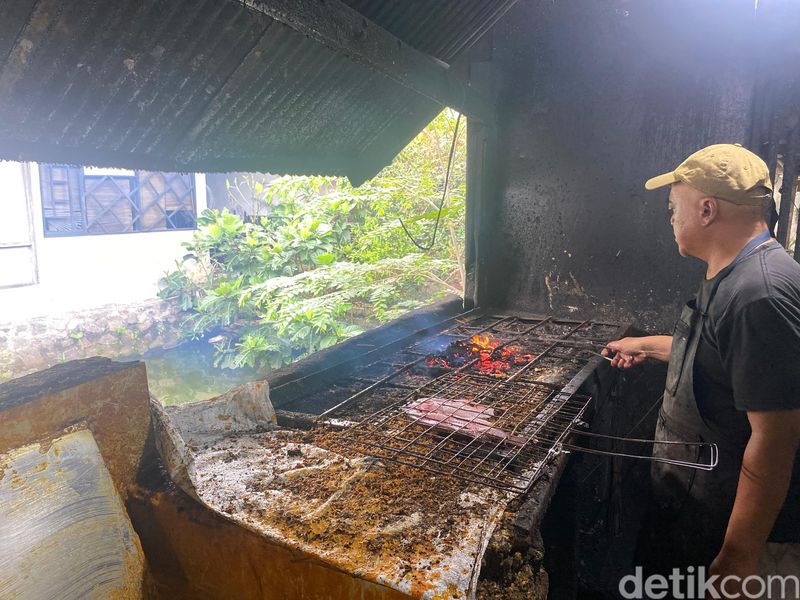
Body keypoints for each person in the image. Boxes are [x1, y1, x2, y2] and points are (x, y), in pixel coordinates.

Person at [603, 144, 800, 590]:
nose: (671, 218)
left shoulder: (761, 295)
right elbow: (719, 356)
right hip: (692, 506)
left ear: (707, 210)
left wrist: (737, 556)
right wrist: (646, 346)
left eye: (675, 207)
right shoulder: (735, 272)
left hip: (724, 528)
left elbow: (775, 441)